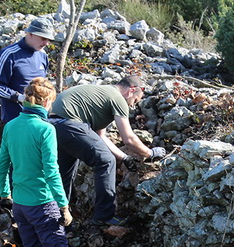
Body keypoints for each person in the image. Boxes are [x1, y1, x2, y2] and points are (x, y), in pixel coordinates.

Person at [0, 78, 85, 247]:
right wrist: (64, 206)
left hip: (21, 205)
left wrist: (6, 195)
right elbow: (51, 171)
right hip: (44, 205)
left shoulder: (11, 126)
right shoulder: (45, 129)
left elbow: (1, 165)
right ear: (47, 102)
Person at [49, 76, 163, 226]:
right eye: (135, 100)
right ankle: (104, 215)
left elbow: (100, 137)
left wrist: (124, 157)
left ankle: (58, 218)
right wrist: (150, 153)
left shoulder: (101, 96)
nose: (133, 106)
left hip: (53, 125)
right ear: (131, 90)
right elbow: (128, 138)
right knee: (106, 161)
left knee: (65, 173)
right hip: (71, 124)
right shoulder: (118, 98)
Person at [0, 18, 56, 125]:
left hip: (39, 120)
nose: (46, 43)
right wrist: (19, 97)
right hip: (15, 120)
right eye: (43, 38)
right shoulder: (9, 54)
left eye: (48, 39)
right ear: (30, 34)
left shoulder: (43, 55)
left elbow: (44, 83)